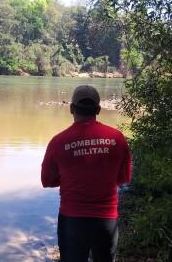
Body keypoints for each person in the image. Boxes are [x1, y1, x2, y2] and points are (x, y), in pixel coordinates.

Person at [41, 85, 132, 262]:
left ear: (71, 108)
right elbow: (124, 178)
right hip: (106, 220)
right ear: (98, 109)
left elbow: (47, 180)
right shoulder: (117, 138)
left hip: (72, 219)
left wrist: (70, 176)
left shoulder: (58, 142)